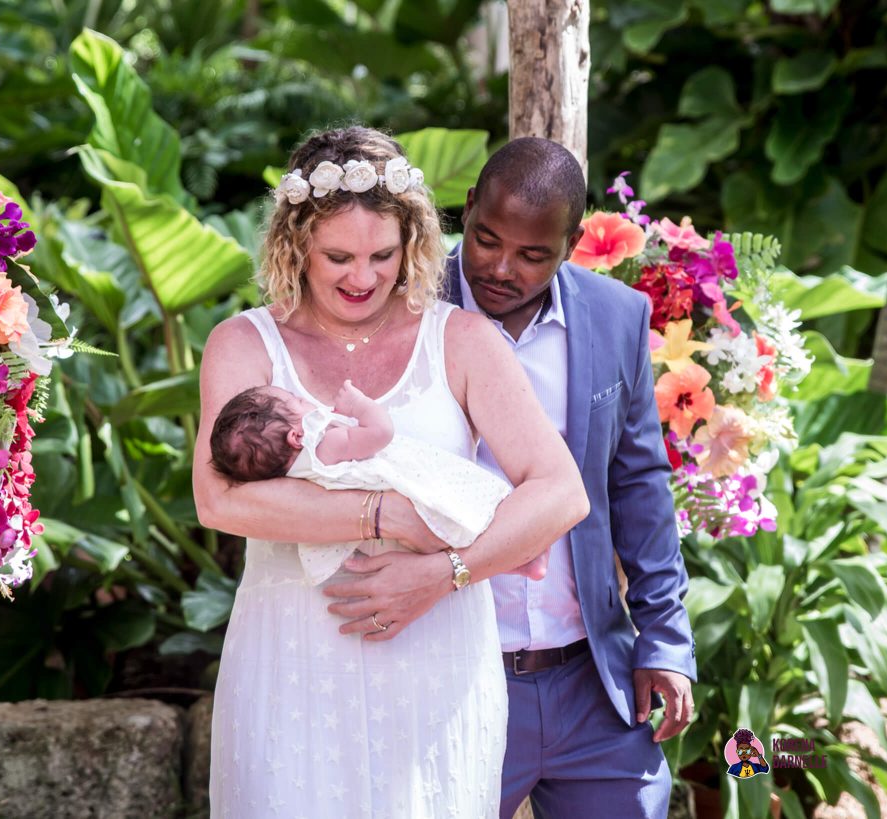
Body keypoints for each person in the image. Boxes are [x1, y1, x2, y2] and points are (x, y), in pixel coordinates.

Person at [192, 126, 588, 818]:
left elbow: (560, 493)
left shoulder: (461, 340)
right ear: (295, 245)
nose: (362, 278)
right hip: (290, 665)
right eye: (338, 256)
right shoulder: (243, 343)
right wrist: (381, 514)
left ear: (413, 243)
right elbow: (219, 500)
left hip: (437, 666)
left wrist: (447, 571)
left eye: (383, 254)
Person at [325, 137, 697, 819]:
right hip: (440, 673)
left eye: (532, 255)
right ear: (467, 208)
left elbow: (639, 488)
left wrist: (666, 640)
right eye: (487, 239)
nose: (500, 269)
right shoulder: (393, 306)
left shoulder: (616, 318)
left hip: (590, 681)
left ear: (572, 243)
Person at [208, 380, 547, 585]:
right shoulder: (325, 446)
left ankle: (519, 562)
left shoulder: (295, 472)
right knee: (472, 510)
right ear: (297, 436)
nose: (304, 401)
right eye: (297, 402)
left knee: (457, 537)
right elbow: (380, 434)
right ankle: (522, 558)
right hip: (409, 494)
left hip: (393, 533)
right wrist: (359, 406)